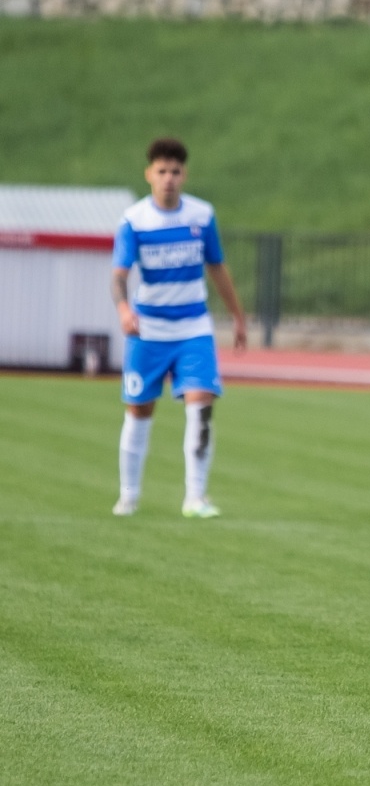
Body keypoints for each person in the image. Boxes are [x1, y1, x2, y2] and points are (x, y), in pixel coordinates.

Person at [111, 138, 248, 518]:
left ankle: (196, 498)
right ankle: (129, 496)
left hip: (193, 328)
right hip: (148, 331)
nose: (168, 178)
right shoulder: (134, 221)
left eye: (175, 171)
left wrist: (237, 316)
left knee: (201, 408)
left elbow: (217, 267)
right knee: (138, 413)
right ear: (149, 174)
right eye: (162, 171)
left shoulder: (202, 216)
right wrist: (124, 309)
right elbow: (119, 276)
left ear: (184, 175)